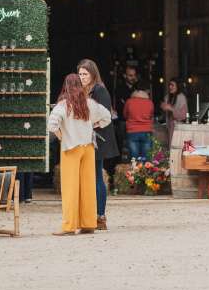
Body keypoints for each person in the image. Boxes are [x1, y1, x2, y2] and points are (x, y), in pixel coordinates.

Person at [46, 73, 111, 236]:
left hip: (71, 148)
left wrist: (62, 136)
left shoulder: (62, 105)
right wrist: (93, 125)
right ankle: (88, 224)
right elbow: (107, 117)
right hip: (88, 147)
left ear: (66, 86)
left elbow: (51, 125)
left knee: (70, 188)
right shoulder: (89, 103)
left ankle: (69, 226)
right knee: (88, 187)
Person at [78, 58, 119, 231]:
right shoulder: (81, 91)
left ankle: (100, 216)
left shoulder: (100, 90)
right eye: (80, 74)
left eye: (85, 74)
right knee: (88, 177)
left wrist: (88, 124)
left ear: (93, 74)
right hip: (85, 138)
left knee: (96, 177)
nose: (82, 77)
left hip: (98, 139)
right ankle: (88, 214)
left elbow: (105, 116)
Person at [123, 83, 155, 161]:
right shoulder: (149, 102)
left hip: (132, 131)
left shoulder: (129, 102)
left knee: (134, 159)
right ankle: (145, 172)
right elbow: (151, 116)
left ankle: (134, 172)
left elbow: (125, 115)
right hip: (146, 131)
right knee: (146, 158)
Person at [160, 77, 189, 143]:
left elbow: (183, 116)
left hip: (178, 128)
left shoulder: (181, 97)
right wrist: (163, 107)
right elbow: (165, 114)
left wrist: (171, 109)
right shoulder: (167, 97)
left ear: (178, 86)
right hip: (169, 128)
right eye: (169, 85)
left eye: (172, 85)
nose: (170, 87)